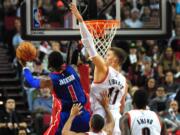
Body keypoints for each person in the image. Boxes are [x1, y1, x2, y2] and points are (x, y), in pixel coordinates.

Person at [70, 3, 128, 135]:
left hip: (100, 120)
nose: (105, 56)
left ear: (115, 60)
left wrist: (81, 21)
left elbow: (89, 45)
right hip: (117, 122)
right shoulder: (125, 82)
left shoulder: (103, 68)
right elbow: (122, 106)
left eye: (108, 55)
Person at [19, 51, 90, 135]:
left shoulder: (50, 80)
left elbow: (31, 82)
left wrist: (25, 67)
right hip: (83, 113)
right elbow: (79, 58)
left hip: (66, 116)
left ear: (50, 66)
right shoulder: (71, 68)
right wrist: (79, 47)